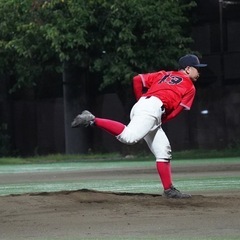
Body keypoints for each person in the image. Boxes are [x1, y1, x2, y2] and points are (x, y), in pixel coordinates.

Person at [71, 54, 207, 199]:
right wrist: (155, 115)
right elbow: (174, 113)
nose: (199, 72)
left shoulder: (164, 74)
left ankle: (169, 190)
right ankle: (92, 119)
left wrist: (141, 101)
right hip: (153, 109)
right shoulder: (190, 87)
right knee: (129, 138)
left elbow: (137, 79)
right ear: (187, 69)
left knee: (163, 151)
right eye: (197, 69)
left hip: (144, 104)